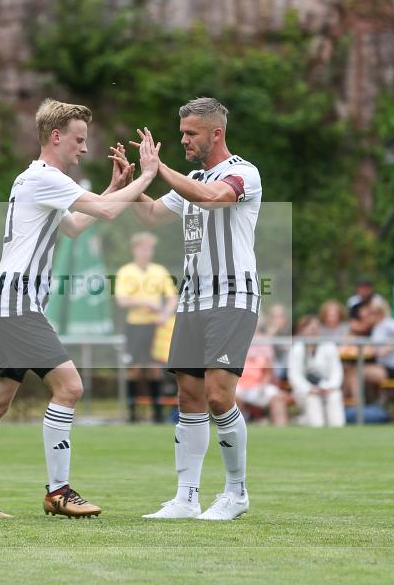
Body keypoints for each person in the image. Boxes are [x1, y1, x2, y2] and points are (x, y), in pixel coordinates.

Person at [0, 99, 159, 519]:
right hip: (18, 303)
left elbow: (77, 225)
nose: (84, 149)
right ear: (56, 137)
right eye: (80, 140)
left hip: (11, 302)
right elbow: (102, 211)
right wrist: (149, 175)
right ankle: (58, 491)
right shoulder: (43, 178)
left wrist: (116, 187)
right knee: (70, 388)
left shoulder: (39, 180)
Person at [127, 97, 261, 521]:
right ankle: (186, 498)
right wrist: (130, 184)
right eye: (181, 132)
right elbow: (150, 216)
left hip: (232, 296)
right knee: (189, 396)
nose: (183, 139)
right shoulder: (192, 177)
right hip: (192, 299)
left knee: (220, 396)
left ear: (215, 133)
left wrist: (158, 168)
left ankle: (236, 494)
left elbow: (212, 199)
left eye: (190, 134)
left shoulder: (242, 172)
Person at [115, 231, 178, 423]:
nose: (147, 252)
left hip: (155, 327)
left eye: (150, 248)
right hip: (135, 325)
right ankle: (132, 414)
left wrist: (165, 314)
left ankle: (157, 414)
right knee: (134, 369)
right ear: (135, 249)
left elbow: (172, 298)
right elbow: (121, 300)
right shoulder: (126, 271)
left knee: (154, 369)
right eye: (143, 247)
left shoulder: (159, 271)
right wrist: (146, 302)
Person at [289, 316, 345, 427]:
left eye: (316, 328)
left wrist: (329, 387)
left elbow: (337, 372)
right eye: (310, 329)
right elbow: (294, 376)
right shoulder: (297, 349)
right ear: (303, 330)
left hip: (328, 388)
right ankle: (317, 429)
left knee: (335, 396)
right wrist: (309, 389)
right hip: (306, 391)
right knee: (312, 399)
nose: (313, 331)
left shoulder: (329, 346)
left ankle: (338, 431)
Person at [235, 321, 288, 426]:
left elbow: (268, 372)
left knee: (277, 397)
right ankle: (239, 426)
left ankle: (282, 429)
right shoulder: (236, 340)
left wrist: (263, 385)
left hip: (258, 386)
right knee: (231, 396)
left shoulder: (264, 343)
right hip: (238, 384)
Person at [369, 298, 394, 402]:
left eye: (374, 312)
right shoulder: (376, 326)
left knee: (357, 372)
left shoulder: (389, 323)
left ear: (381, 311)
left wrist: (388, 348)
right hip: (381, 365)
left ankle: (359, 406)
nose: (371, 315)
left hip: (392, 368)